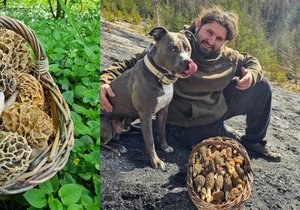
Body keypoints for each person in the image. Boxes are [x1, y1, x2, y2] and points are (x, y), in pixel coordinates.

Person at [100, 6, 281, 162]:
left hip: (212, 114)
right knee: (222, 158)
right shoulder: (173, 44)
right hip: (180, 120)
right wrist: (104, 80)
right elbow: (131, 64)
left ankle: (254, 143)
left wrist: (251, 74)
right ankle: (193, 139)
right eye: (209, 32)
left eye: (219, 39)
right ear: (199, 24)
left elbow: (251, 60)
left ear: (224, 42)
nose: (211, 41)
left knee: (261, 86)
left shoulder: (228, 57)